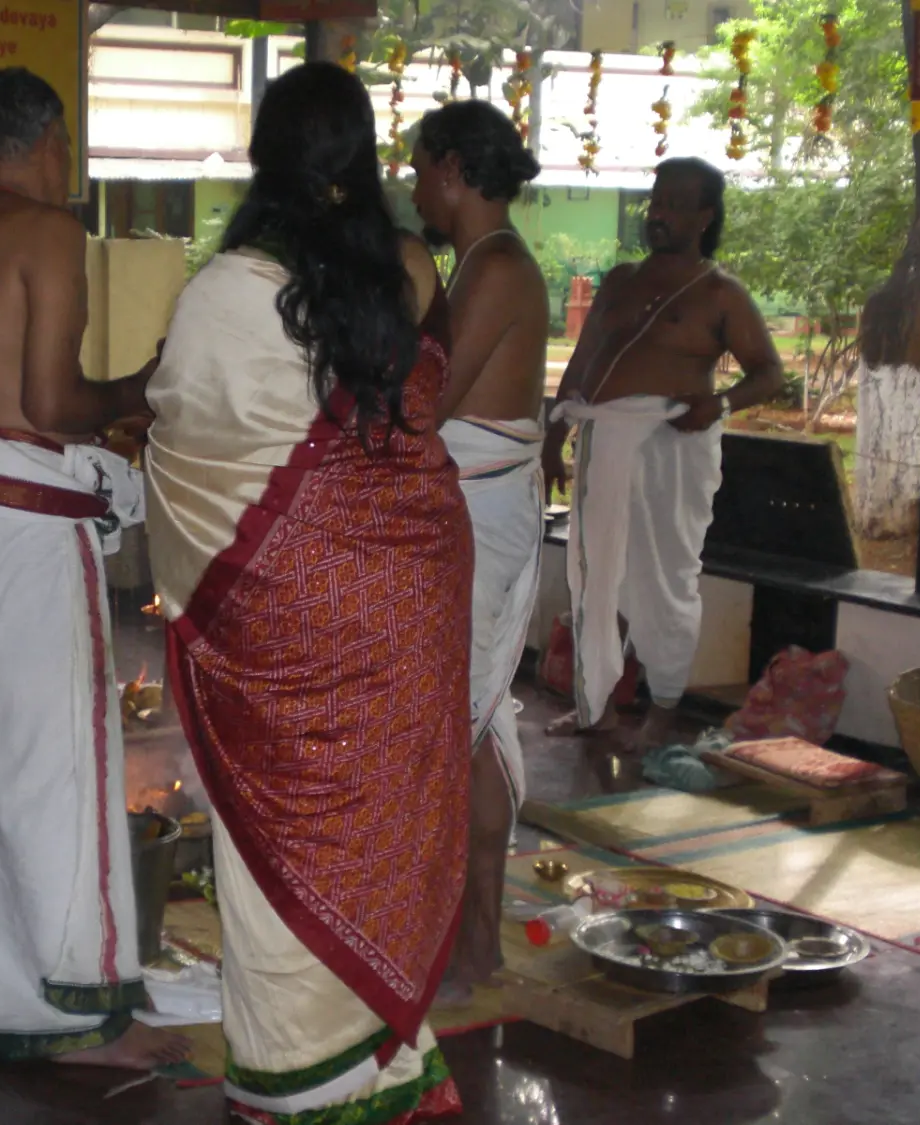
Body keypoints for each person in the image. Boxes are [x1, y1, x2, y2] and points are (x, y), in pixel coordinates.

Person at [146, 63, 472, 1124]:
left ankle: (304, 1076)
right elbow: (411, 437)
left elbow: (186, 443)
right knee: (380, 819)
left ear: (263, 156)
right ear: (368, 153)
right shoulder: (412, 269)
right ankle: (385, 1058)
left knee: (284, 837)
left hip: (282, 625)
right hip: (405, 600)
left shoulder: (220, 296)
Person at [0, 68, 187, 1071]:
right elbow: (53, 401)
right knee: (59, 759)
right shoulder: (49, 231)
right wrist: (138, 389)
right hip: (20, 526)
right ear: (48, 142)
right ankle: (72, 1003)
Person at [542, 157, 784, 750]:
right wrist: (553, 438)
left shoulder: (722, 294)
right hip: (602, 439)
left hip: (670, 446)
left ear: (705, 216)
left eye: (677, 203)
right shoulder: (621, 281)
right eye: (657, 199)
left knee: (664, 577)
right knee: (596, 575)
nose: (660, 212)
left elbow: (769, 373)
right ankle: (594, 703)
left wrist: (719, 403)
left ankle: (664, 711)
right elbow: (584, 361)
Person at [411, 100, 549, 1005]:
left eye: (421, 167)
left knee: (464, 724)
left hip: (482, 513)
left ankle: (478, 947)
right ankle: (466, 936)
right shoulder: (478, 264)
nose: (415, 185)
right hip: (474, 507)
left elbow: (428, 399)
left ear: (455, 171)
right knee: (466, 719)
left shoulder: (495, 267)